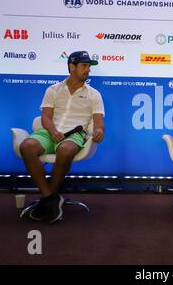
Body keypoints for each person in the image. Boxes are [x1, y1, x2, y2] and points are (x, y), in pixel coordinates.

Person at [19, 51, 105, 223]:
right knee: (26, 146)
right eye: (83, 66)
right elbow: (45, 117)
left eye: (88, 66)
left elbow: (98, 122)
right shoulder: (53, 90)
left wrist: (99, 131)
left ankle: (47, 199)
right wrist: (53, 131)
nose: (87, 70)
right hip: (49, 132)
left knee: (66, 150)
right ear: (72, 67)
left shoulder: (94, 94)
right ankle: (50, 197)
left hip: (75, 134)